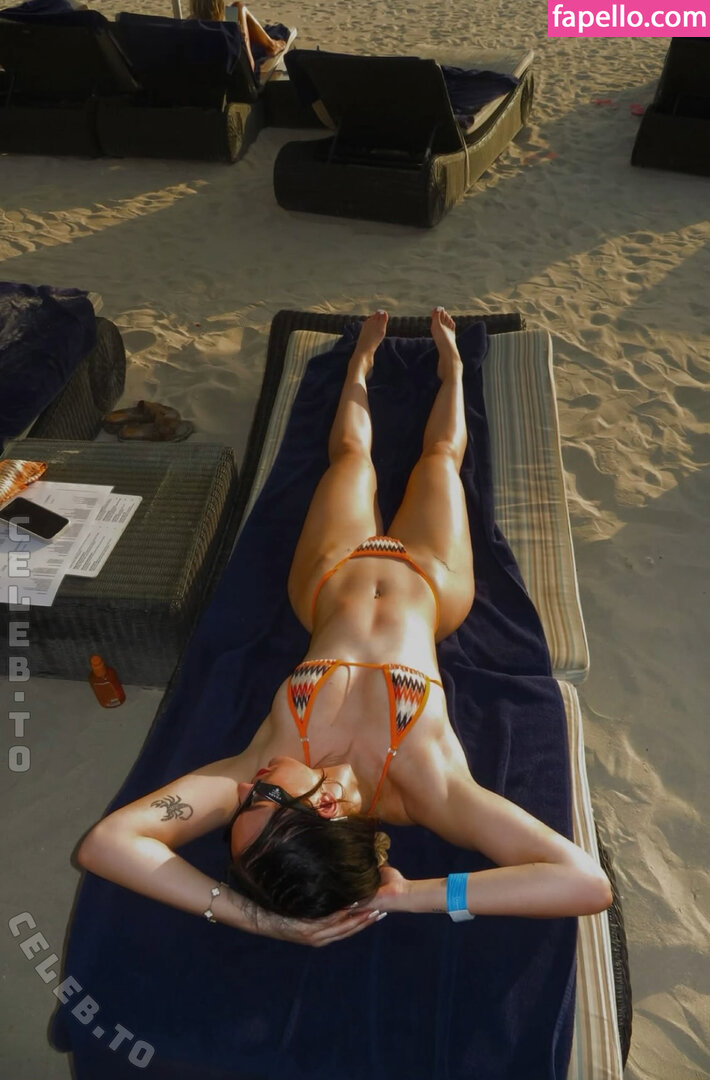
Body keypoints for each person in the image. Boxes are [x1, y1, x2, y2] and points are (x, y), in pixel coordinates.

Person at [78, 308, 612, 947]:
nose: (243, 788)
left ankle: (359, 363)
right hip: (430, 582)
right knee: (441, 460)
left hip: (329, 579)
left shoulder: (262, 762)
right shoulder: (431, 787)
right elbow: (584, 882)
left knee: (352, 458)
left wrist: (262, 919)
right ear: (325, 807)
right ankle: (452, 369)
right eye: (260, 800)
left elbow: (110, 841)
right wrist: (412, 895)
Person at [188, 0, 287, 73]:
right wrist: (241, 37)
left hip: (203, 82)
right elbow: (249, 67)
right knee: (238, 7)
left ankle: (271, 45)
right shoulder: (228, 33)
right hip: (237, 82)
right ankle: (272, 46)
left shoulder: (185, 29)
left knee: (233, 9)